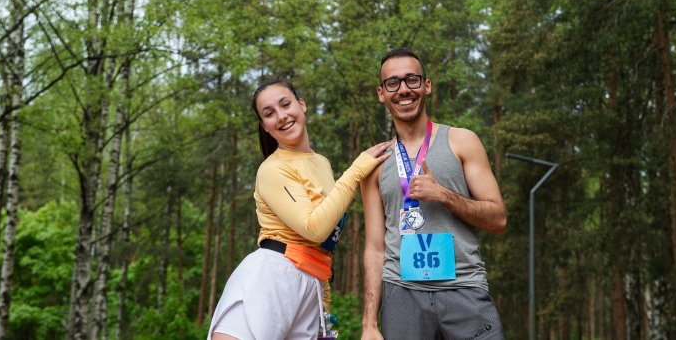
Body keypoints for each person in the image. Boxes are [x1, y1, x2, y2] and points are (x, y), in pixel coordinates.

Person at [208, 77, 392, 340]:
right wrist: (356, 171)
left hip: (311, 282)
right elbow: (313, 229)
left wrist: (322, 294)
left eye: (286, 104)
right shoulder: (273, 168)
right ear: (264, 126)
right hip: (274, 275)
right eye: (269, 113)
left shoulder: (322, 163)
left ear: (302, 105)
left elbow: (326, 240)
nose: (281, 116)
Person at [360, 48, 507, 340]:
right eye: (393, 83)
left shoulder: (462, 141)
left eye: (412, 80)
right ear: (381, 93)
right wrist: (368, 324)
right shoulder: (374, 163)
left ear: (426, 86)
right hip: (401, 295)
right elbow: (375, 248)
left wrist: (444, 194)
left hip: (464, 288)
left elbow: (498, 220)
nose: (403, 89)